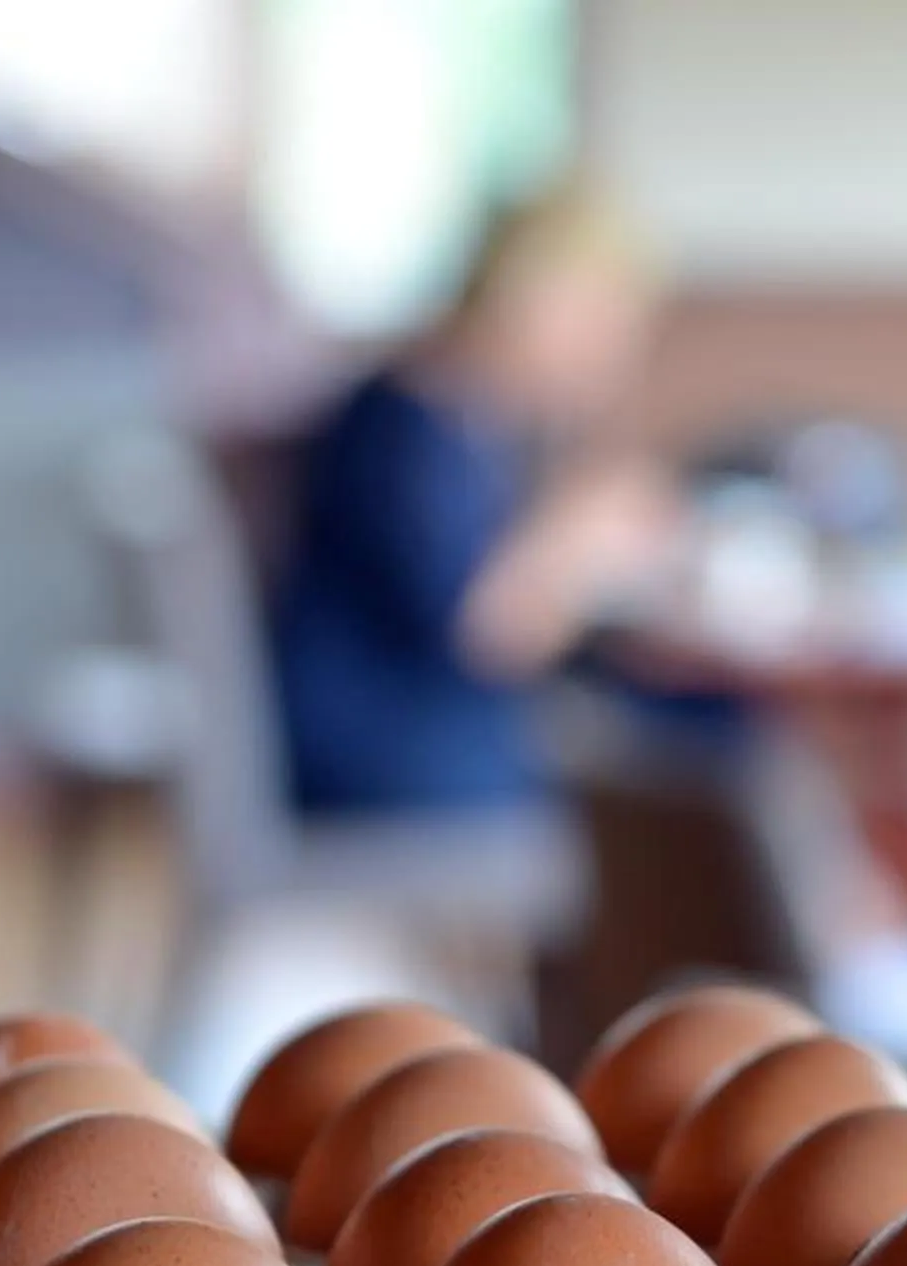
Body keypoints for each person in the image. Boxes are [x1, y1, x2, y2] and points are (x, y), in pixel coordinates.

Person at [269, 181, 680, 816]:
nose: (611, 351)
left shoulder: (479, 424)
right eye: (598, 319)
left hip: (436, 740)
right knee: (645, 793)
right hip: (392, 758)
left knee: (690, 739)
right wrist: (578, 541)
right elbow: (482, 632)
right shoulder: (406, 425)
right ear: (531, 301)